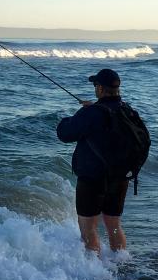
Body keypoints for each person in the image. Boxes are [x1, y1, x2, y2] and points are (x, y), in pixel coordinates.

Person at [56, 68, 149, 254]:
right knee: (114, 224)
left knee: (88, 227)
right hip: (121, 176)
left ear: (100, 88)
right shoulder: (127, 110)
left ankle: (95, 274)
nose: (95, 88)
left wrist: (75, 116)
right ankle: (120, 263)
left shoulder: (92, 113)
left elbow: (65, 134)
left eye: (95, 85)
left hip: (92, 179)